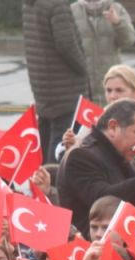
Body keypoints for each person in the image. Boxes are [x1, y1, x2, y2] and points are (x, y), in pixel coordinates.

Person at [56, 99, 135, 237]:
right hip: (93, 252)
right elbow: (104, 200)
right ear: (113, 127)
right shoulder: (81, 156)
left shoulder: (122, 156)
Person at [23, 0, 89, 163]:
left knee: (45, 139)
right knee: (62, 144)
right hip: (65, 86)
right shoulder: (57, 4)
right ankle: (53, 183)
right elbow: (66, 44)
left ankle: (42, 183)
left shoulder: (31, 4)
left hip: (43, 83)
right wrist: (83, 67)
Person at [71, 0, 135, 106]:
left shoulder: (115, 8)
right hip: (82, 83)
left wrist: (117, 23)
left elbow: (129, 40)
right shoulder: (72, 11)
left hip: (112, 80)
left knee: (112, 119)